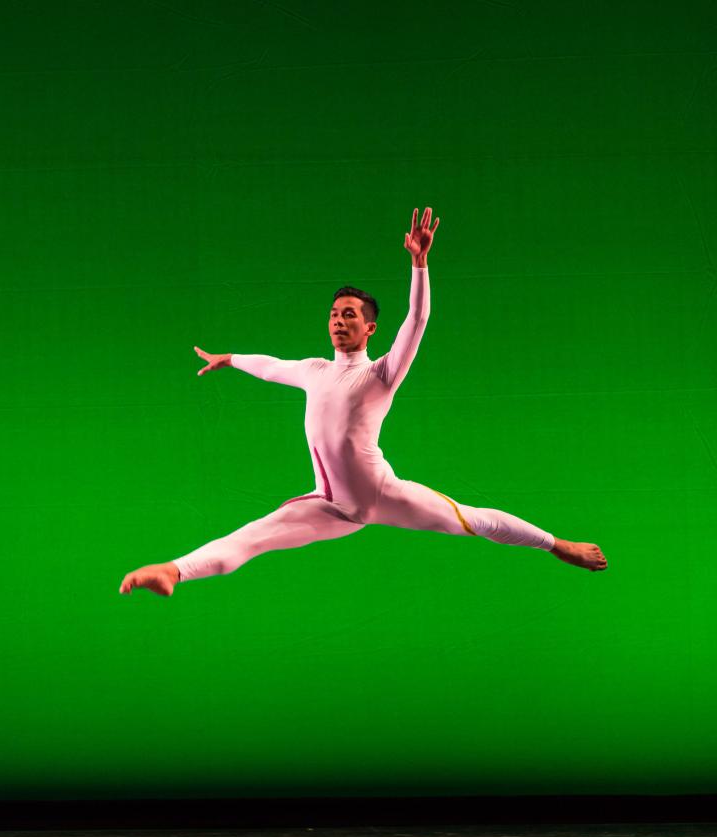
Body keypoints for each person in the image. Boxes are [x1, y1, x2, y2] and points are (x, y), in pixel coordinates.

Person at [119, 207, 607, 597]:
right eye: (334, 313)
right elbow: (270, 365)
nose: (338, 319)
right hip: (330, 507)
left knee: (470, 519)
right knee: (250, 537)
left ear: (369, 327)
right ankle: (173, 571)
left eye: (349, 314)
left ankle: (556, 544)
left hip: (381, 494)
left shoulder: (380, 374)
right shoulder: (314, 371)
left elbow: (416, 322)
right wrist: (230, 359)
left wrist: (419, 264)